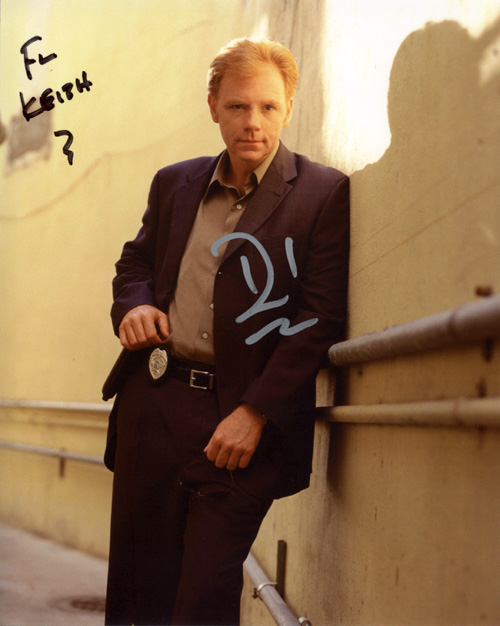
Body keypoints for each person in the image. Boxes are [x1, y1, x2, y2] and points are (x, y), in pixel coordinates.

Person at [103, 37, 350, 626]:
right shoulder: (174, 183)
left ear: (289, 107)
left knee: (204, 598)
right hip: (152, 407)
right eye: (237, 106)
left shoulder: (322, 193)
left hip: (236, 426)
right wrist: (133, 306)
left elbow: (318, 316)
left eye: (267, 107)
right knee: (139, 596)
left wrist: (256, 411)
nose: (252, 122)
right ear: (214, 106)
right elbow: (135, 264)